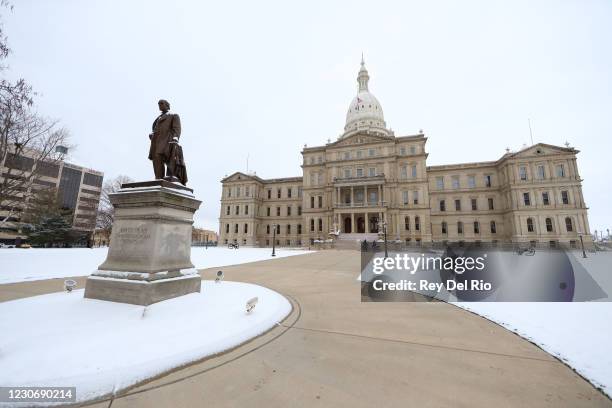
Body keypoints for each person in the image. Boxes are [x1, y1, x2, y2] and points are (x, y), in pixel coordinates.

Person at [148, 99, 187, 184]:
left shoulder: (173, 115)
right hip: (156, 142)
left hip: (166, 141)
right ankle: (159, 180)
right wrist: (152, 134)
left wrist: (175, 138)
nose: (160, 106)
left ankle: (166, 179)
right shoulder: (158, 118)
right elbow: (156, 129)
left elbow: (177, 129)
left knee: (162, 157)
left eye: (161, 104)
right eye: (159, 104)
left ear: (167, 105)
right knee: (156, 159)